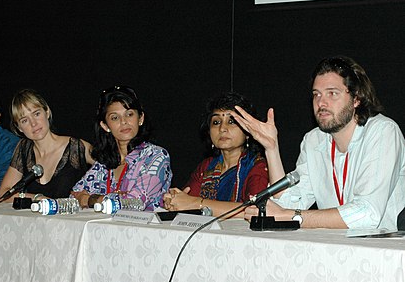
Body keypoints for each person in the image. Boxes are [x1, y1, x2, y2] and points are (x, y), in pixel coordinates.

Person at [232, 55, 405, 230]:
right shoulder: (314, 140)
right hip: (332, 247)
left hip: (381, 250)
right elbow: (289, 203)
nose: (321, 102)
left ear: (356, 98)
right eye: (317, 94)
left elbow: (367, 214)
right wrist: (271, 149)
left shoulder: (383, 132)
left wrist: (291, 216)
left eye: (332, 93)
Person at [163, 92, 269, 218]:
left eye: (231, 121)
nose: (222, 128)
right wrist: (175, 201)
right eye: (216, 122)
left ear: (247, 132)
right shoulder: (207, 166)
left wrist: (197, 203)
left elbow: (254, 210)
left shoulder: (257, 166)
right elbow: (187, 201)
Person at [71, 86, 172, 211]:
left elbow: (134, 203)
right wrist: (113, 198)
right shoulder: (104, 163)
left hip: (142, 228)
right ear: (105, 125)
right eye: (115, 117)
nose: (123, 121)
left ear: (140, 118)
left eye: (129, 114)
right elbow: (73, 198)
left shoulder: (156, 155)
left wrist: (92, 199)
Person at [0, 89, 94, 200]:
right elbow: (5, 193)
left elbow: (112, 168)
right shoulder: (23, 149)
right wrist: (38, 198)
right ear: (19, 128)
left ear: (47, 112)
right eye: (24, 120)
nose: (33, 123)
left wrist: (92, 196)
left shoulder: (76, 146)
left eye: (37, 114)